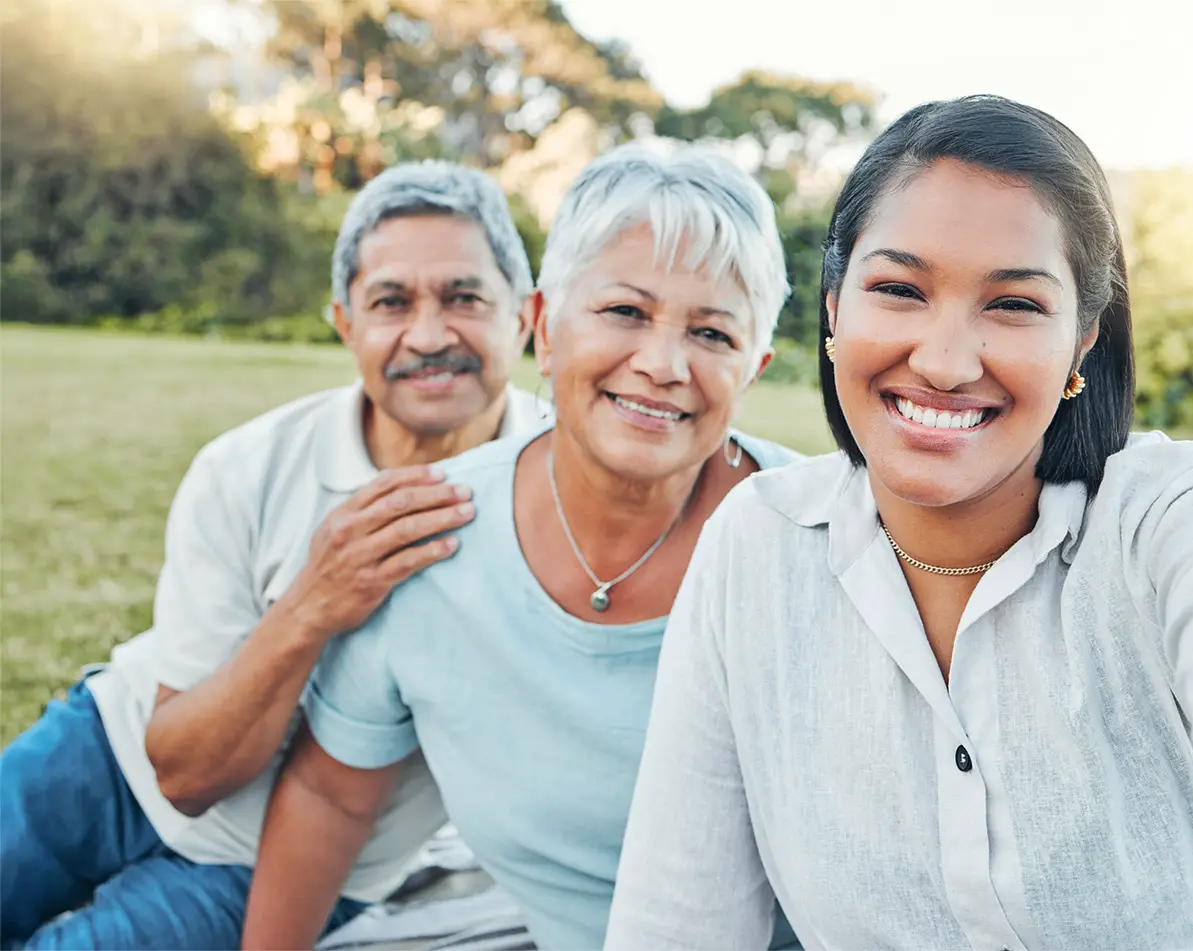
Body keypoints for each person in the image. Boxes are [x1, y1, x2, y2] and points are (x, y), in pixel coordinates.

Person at [603, 96, 1193, 950]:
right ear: (835, 310)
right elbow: (678, 918)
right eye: (900, 289)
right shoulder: (754, 550)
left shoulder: (1161, 510)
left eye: (1015, 303)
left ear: (1083, 341)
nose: (947, 360)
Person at [240, 146, 804, 951]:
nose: (662, 364)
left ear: (754, 366)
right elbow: (331, 799)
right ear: (541, 325)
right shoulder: (428, 532)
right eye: (624, 312)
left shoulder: (818, 540)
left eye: (711, 332)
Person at [0, 160, 544, 949]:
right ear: (344, 322)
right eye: (391, 302)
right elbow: (185, 774)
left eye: (464, 298)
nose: (428, 336)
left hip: (284, 869)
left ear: (525, 317)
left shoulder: (560, 495)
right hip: (110, 758)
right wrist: (314, 602)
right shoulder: (248, 466)